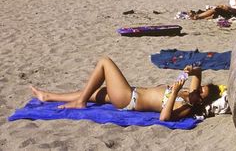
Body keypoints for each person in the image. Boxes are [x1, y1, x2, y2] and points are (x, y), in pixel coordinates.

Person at [30, 57, 220, 121]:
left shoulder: (186, 106)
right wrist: (191, 70)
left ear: (201, 101)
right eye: (200, 88)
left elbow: (164, 117)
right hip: (132, 91)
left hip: (129, 99)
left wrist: (173, 93)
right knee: (94, 94)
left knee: (105, 62)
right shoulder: (192, 94)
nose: (197, 90)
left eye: (200, 92)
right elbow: (199, 73)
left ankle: (79, 103)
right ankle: (47, 96)